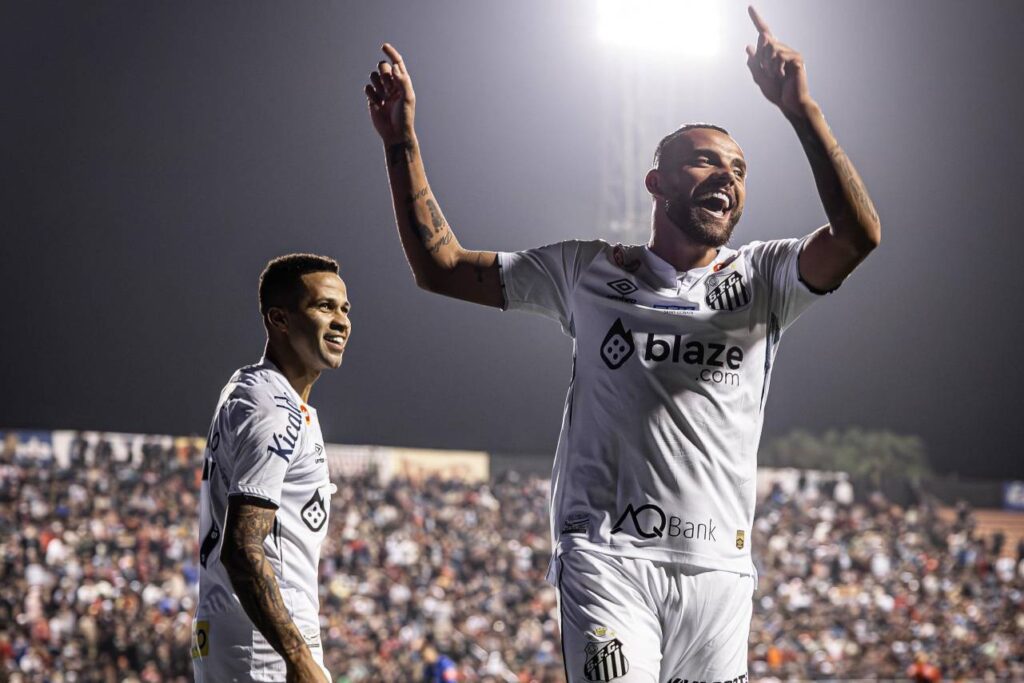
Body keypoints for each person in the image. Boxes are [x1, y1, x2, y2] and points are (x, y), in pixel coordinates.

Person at [365, 6, 879, 682]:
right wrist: (400, 142)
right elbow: (440, 265)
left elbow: (857, 236)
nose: (727, 176)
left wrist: (800, 109)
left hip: (719, 575)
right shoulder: (588, 270)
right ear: (656, 183)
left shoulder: (764, 277)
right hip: (608, 557)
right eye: (704, 161)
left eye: (739, 168)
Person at [192, 254, 352, 682]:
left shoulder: (259, 391)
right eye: (323, 306)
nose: (340, 321)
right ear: (279, 319)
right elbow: (243, 547)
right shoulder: (273, 409)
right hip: (263, 644)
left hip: (239, 630)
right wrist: (297, 657)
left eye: (344, 309)